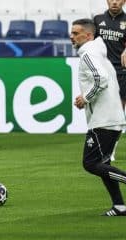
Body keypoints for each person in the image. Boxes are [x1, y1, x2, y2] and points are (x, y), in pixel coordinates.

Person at [71, 18, 126, 216]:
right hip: (111, 117)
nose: (72, 36)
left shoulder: (89, 55)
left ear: (88, 35)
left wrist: (85, 98)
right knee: (104, 164)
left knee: (91, 163)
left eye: (76, 33)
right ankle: (119, 206)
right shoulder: (98, 51)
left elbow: (100, 79)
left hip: (104, 119)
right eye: (72, 33)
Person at [94, 0, 126, 160]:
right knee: (101, 112)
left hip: (121, 72)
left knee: (118, 114)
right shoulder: (97, 20)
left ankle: (111, 148)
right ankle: (99, 145)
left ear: (124, 1)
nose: (114, 2)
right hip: (101, 72)